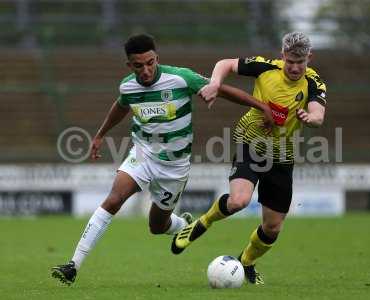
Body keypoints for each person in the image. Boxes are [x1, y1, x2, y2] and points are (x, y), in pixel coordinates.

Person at [51, 34, 273, 285]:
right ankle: (73, 265)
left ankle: (183, 224)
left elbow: (219, 90)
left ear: (157, 58)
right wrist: (101, 134)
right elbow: (121, 106)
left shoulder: (180, 78)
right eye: (138, 65)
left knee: (157, 226)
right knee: (114, 199)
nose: (145, 70)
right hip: (143, 155)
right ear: (129, 66)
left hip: (174, 167)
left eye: (150, 63)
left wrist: (261, 106)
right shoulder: (128, 87)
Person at [171, 32, 327, 285]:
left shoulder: (314, 83)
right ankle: (201, 223)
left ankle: (246, 262)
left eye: (301, 62)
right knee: (239, 201)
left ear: (310, 57)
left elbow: (318, 113)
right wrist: (214, 83)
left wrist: (311, 119)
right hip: (251, 144)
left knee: (272, 228)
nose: (295, 67)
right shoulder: (265, 68)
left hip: (282, 156)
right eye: (290, 61)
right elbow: (226, 64)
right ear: (282, 56)